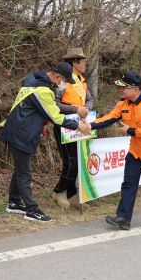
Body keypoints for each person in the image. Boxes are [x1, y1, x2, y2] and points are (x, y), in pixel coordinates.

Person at [0, 62, 92, 222]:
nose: (63, 85)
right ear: (57, 77)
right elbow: (56, 116)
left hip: (19, 130)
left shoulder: (34, 82)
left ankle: (13, 203)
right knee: (25, 174)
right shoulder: (42, 91)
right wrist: (78, 126)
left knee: (20, 170)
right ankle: (32, 210)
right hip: (21, 133)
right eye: (64, 81)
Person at [90, 70, 141, 233]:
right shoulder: (123, 104)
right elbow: (109, 118)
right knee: (128, 183)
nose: (121, 90)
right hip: (135, 152)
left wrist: (130, 130)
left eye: (124, 87)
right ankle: (124, 218)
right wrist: (89, 125)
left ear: (135, 89)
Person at [52, 48, 94, 209]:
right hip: (64, 124)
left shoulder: (82, 79)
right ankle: (59, 191)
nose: (85, 64)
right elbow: (55, 104)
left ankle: (72, 194)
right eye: (83, 61)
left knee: (77, 161)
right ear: (75, 62)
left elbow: (90, 98)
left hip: (80, 124)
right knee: (71, 162)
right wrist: (76, 109)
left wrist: (86, 108)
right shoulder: (63, 79)